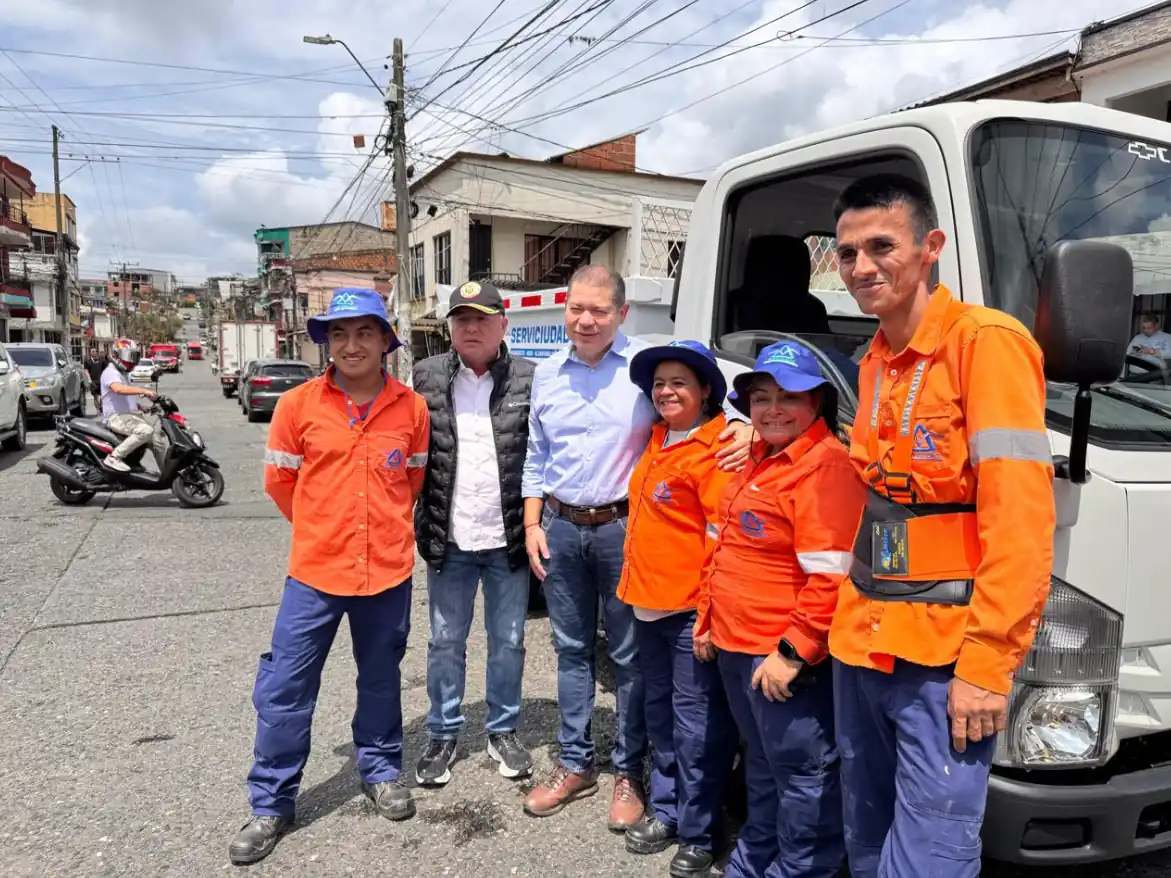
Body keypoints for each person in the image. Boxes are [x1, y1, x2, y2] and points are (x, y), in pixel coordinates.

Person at [828, 174, 1056, 878]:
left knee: (929, 854)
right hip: (861, 642)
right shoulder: (872, 361)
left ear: (929, 248)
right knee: (864, 840)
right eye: (845, 253)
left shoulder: (983, 343)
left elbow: (1018, 518)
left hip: (942, 660)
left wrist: (987, 668)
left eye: (879, 246)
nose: (861, 267)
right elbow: (880, 491)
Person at [521, 265, 753, 830]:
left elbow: (726, 394)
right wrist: (532, 524)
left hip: (626, 530)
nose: (585, 319)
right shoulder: (547, 373)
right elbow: (535, 455)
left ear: (621, 314)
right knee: (572, 651)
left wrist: (746, 425)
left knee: (629, 658)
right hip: (560, 525)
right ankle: (575, 763)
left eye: (599, 309)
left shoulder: (649, 365)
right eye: (577, 308)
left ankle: (629, 770)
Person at [229, 288, 430, 866]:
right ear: (326, 343)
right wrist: (326, 527)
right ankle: (271, 803)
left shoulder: (410, 409)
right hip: (315, 575)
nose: (351, 345)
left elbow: (411, 481)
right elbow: (281, 484)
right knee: (286, 689)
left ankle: (381, 770)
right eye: (338, 334)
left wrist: (374, 530)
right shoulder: (297, 406)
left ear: (385, 342)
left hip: (387, 572)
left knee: (380, 679)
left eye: (364, 332)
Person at [704, 339, 863, 878]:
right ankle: (754, 859)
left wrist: (793, 652)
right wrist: (707, 619)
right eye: (762, 396)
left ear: (816, 404)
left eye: (788, 397)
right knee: (763, 766)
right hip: (734, 644)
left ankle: (800, 869)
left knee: (804, 775)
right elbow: (724, 545)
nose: (773, 409)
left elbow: (830, 575)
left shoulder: (825, 468)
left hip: (778, 656)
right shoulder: (753, 457)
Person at [618, 340, 739, 878]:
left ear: (706, 391)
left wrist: (709, 615)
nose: (666, 391)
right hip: (646, 604)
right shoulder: (657, 437)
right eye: (660, 383)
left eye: (680, 383)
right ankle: (665, 810)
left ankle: (700, 829)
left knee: (697, 727)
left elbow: (721, 538)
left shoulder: (718, 449)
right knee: (661, 716)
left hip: (690, 611)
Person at [412, 280, 536, 787]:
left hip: (506, 538)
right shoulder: (424, 377)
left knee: (508, 641)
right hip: (449, 538)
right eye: (461, 319)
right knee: (445, 641)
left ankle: (502, 729)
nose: (470, 327)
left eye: (482, 318)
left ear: (503, 325)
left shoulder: (531, 379)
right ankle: (443, 733)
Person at [100, 339, 160, 472]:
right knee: (146, 431)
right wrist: (144, 390)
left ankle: (168, 475)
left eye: (134, 356)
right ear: (116, 355)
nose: (131, 361)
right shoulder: (111, 372)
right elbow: (119, 390)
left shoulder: (123, 374)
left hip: (128, 416)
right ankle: (114, 457)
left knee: (157, 439)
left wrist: (139, 406)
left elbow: (122, 398)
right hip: (116, 418)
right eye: (128, 356)